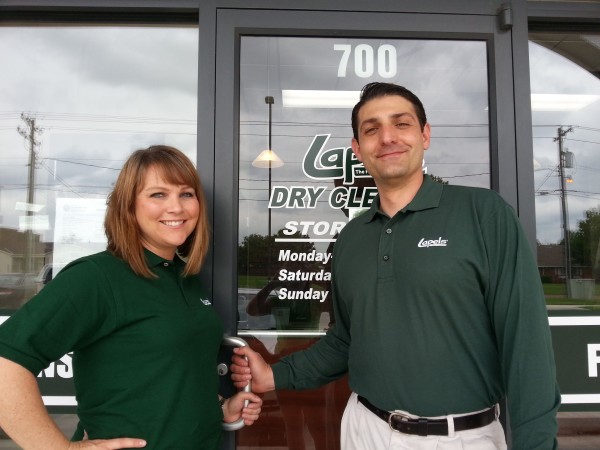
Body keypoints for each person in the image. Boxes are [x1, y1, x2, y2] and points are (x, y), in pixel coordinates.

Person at [231, 82, 561, 449]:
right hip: (364, 429)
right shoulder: (351, 238)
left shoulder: (483, 214)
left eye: (401, 124)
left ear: (425, 135)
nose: (387, 137)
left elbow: (525, 343)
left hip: (461, 437)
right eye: (371, 129)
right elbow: (345, 341)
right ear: (358, 149)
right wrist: (274, 376)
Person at [0, 145, 262, 450]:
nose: (176, 208)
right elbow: (6, 362)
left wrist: (219, 408)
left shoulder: (182, 276)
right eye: (158, 195)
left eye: (186, 194)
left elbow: (166, 372)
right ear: (128, 206)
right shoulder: (97, 277)